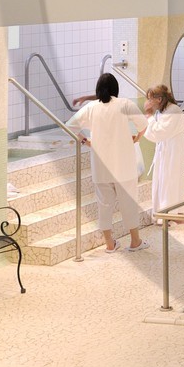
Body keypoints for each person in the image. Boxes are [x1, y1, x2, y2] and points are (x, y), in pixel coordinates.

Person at [67, 73, 147, 252]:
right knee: (129, 203)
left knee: (104, 205)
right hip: (124, 165)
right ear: (115, 89)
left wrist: (85, 141)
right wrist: (136, 138)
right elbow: (143, 125)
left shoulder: (91, 108)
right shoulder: (125, 104)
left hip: (101, 166)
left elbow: (70, 125)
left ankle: (109, 244)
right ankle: (135, 242)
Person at [142, 84, 184, 219]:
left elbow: (158, 132)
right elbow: (157, 132)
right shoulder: (164, 110)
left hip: (173, 149)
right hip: (169, 148)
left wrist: (149, 115)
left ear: (158, 99)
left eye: (150, 99)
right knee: (166, 179)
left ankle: (170, 215)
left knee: (170, 180)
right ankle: (168, 214)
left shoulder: (173, 110)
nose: (148, 102)